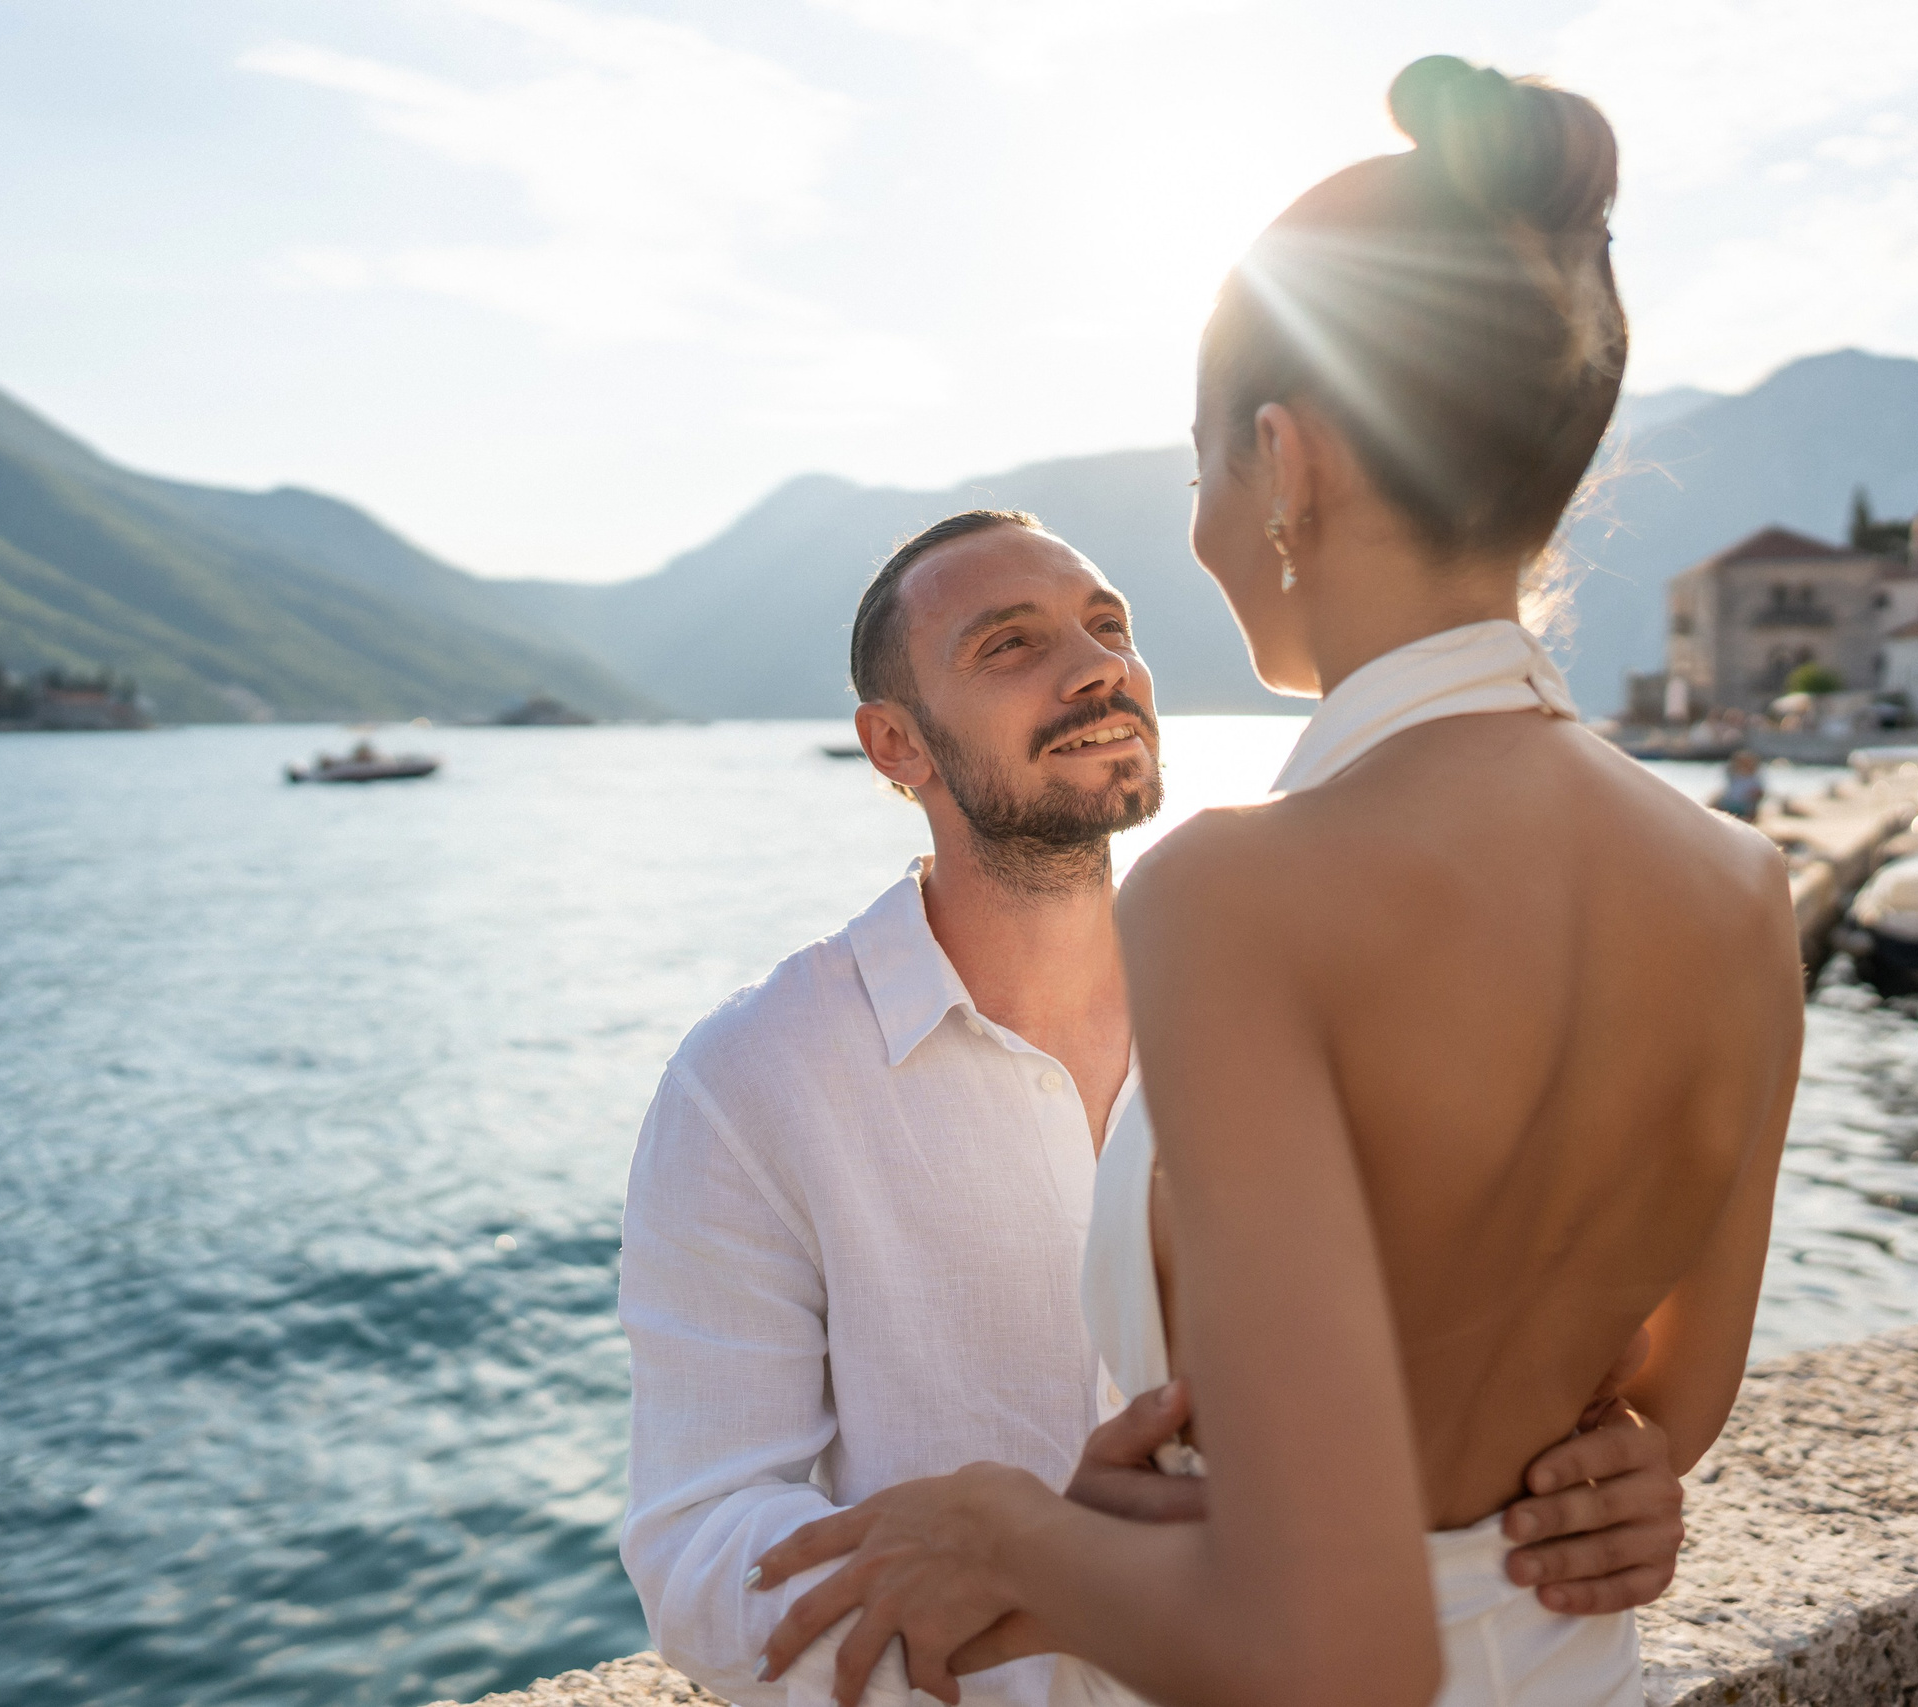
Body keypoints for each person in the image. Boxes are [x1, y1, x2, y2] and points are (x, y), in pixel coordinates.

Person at [749, 55, 1804, 1707]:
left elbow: (1338, 1655)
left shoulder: (1241, 891)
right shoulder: (1742, 887)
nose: (1196, 531)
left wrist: (1020, 1541)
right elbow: (1672, 1403)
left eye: (1197, 471)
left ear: (1284, 460)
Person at [618, 509, 1693, 1707]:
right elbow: (700, 1547)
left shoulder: (1311, 1008)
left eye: (1108, 627)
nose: (1098, 668)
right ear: (895, 746)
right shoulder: (750, 1078)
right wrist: (1054, 1595)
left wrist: (1597, 1481)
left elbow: (1459, 1377)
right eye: (1009, 646)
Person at [1713, 750, 1765, 820]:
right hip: (1729, 803)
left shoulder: (1754, 779)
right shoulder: (1733, 776)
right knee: (1716, 800)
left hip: (1745, 805)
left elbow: (1759, 793)